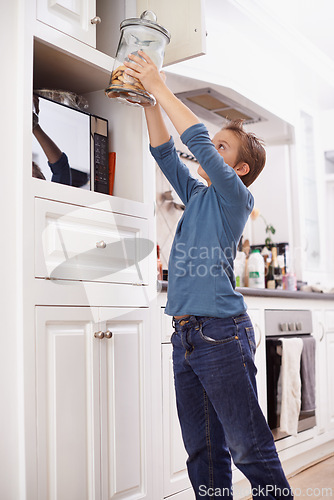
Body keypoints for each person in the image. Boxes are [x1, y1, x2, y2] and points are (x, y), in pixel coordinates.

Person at [123, 51, 294, 499]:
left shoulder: (235, 199)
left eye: (222, 148)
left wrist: (161, 85)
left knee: (248, 448)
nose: (210, 150)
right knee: (202, 451)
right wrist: (148, 103)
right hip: (185, 336)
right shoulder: (196, 195)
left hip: (221, 334)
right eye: (213, 144)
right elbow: (165, 153)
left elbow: (195, 141)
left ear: (238, 170)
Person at [32, 95, 72, 185]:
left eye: (37, 177)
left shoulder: (50, 196)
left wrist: (33, 124)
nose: (33, 177)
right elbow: (61, 168)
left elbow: (61, 167)